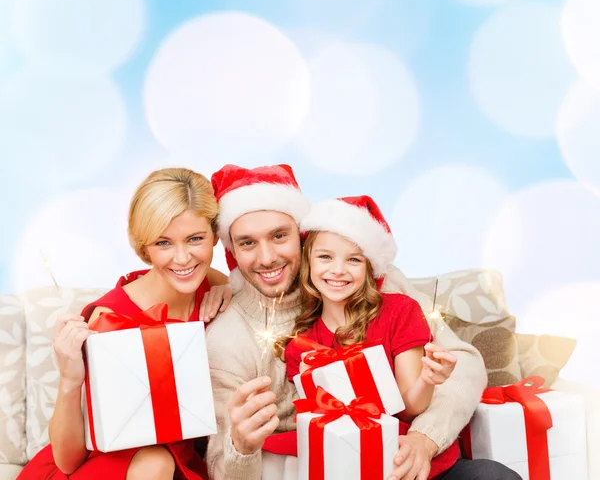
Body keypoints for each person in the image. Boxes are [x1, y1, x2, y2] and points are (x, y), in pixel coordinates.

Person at [205, 164, 522, 480]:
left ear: (302, 236)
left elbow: (462, 366)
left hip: (409, 459)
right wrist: (241, 446)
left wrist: (425, 439)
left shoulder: (375, 285)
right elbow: (221, 467)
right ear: (232, 250)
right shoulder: (227, 337)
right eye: (247, 243)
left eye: (279, 236)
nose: (267, 258)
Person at [17, 167, 233, 480]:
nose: (183, 257)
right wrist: (69, 379)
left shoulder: (211, 287)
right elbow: (67, 461)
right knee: (155, 459)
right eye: (163, 243)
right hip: (104, 467)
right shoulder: (110, 320)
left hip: (179, 463)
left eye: (195, 239)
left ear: (215, 236)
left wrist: (231, 288)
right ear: (144, 246)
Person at [279, 195, 459, 477]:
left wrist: (427, 380)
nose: (338, 270)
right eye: (325, 257)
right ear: (307, 263)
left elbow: (409, 408)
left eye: (353, 259)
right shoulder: (301, 347)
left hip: (410, 459)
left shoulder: (400, 311)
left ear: (368, 268)